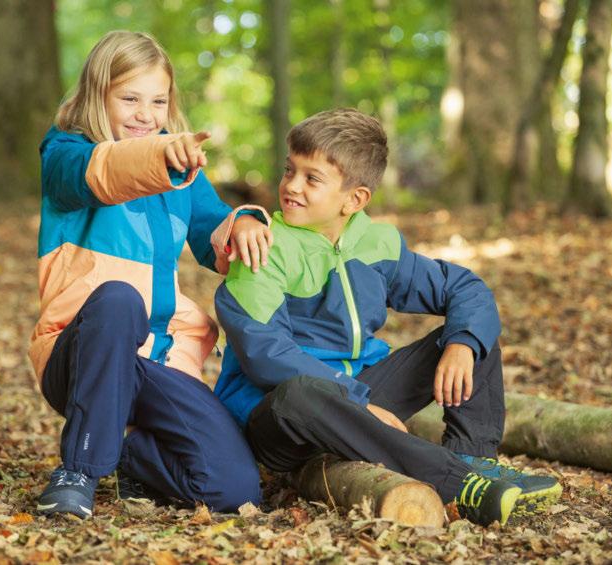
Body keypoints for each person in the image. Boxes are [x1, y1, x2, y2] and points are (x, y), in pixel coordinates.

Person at [213, 108, 561, 526]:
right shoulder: (264, 247)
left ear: (355, 199)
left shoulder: (376, 243)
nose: (291, 186)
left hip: (358, 398)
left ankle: (474, 459)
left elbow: (465, 288)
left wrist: (462, 346)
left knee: (471, 333)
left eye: (312, 178)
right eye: (290, 171)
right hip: (279, 419)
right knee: (300, 393)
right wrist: (356, 402)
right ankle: (458, 484)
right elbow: (265, 354)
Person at [29, 30, 271, 518]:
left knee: (235, 489)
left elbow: (212, 232)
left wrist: (245, 221)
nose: (146, 114)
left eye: (158, 101)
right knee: (119, 299)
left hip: (156, 360)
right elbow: (104, 172)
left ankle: (132, 459)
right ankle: (78, 471)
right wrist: (161, 155)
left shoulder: (179, 172)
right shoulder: (65, 152)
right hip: (81, 354)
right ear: (99, 95)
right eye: (130, 98)